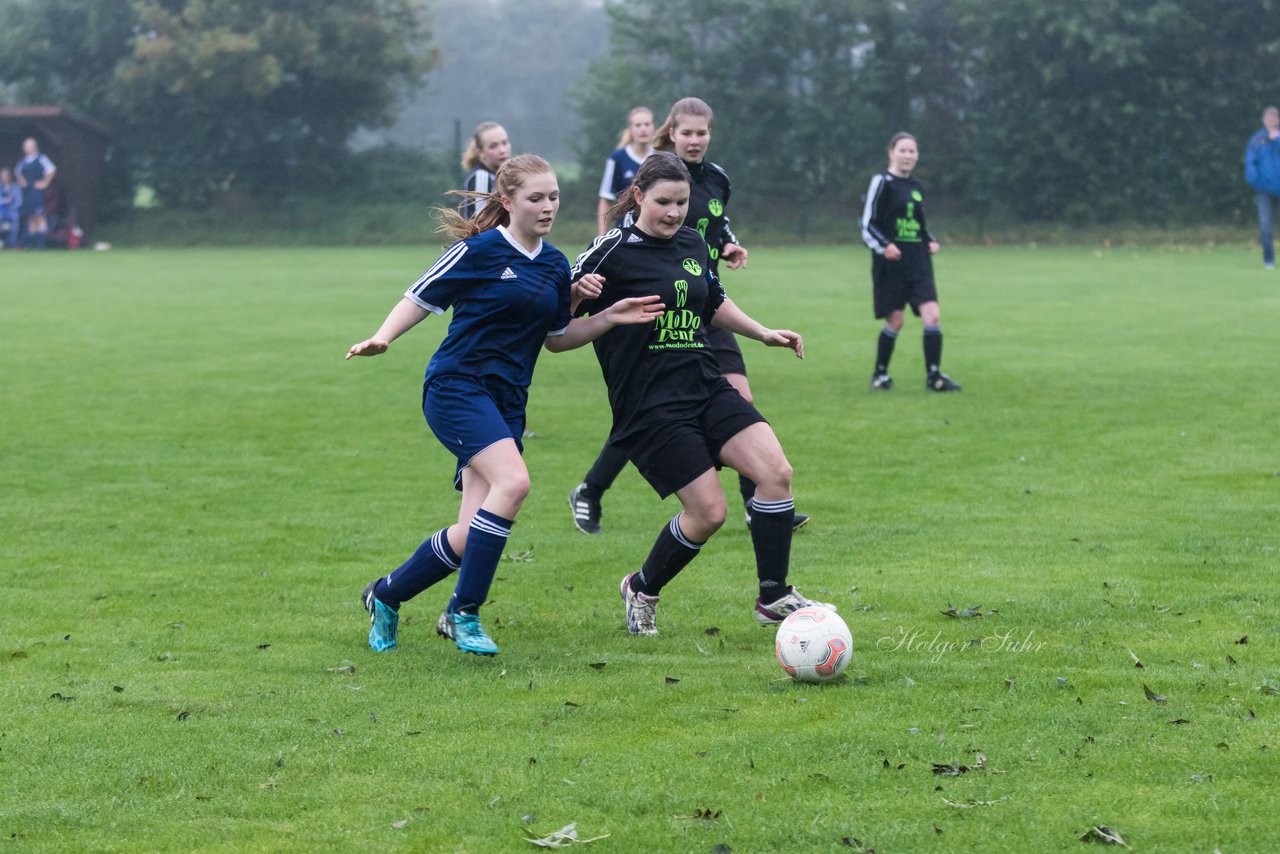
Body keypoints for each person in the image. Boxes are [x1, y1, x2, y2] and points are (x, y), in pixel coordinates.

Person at [346, 154, 663, 656]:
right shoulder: (480, 251)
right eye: (535, 198)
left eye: (554, 196)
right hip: (457, 387)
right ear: (507, 201)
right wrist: (382, 338)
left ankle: (385, 596)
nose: (547, 206)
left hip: (508, 402)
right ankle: (464, 612)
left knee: (472, 533)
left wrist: (609, 317)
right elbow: (420, 295)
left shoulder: (557, 265)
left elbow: (556, 338)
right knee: (514, 483)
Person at [571, 151, 834, 635]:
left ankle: (773, 596)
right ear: (638, 197)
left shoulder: (692, 241)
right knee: (709, 513)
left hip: (704, 384)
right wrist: (578, 298)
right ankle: (642, 588)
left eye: (681, 203)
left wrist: (763, 333)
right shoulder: (610, 249)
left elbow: (712, 300)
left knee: (776, 472)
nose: (674, 213)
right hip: (650, 404)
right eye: (663, 203)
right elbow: (556, 322)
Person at [569, 97, 809, 535]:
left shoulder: (717, 180)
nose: (696, 140)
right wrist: (588, 298)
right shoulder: (652, 189)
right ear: (672, 133)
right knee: (656, 410)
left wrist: (731, 248)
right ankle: (592, 488)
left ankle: (763, 500)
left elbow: (718, 226)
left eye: (703, 133)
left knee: (738, 402)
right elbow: (559, 317)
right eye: (688, 133)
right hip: (656, 310)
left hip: (704, 301)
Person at [861, 132, 961, 392]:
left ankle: (935, 376)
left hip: (918, 261)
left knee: (933, 315)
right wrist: (885, 246)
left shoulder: (916, 187)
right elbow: (867, 224)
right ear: (891, 152)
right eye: (903, 150)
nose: (908, 156)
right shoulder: (881, 182)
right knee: (896, 320)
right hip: (891, 263)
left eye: (912, 151)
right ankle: (880, 374)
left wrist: (930, 239)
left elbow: (920, 222)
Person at [595, 106, 654, 235]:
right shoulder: (617, 158)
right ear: (631, 129)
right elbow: (606, 199)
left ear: (653, 127)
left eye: (647, 124)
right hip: (625, 232)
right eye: (638, 125)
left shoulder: (659, 158)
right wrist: (601, 237)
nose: (643, 129)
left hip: (653, 232)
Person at [1245, 106, 1280, 270]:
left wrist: (1276, 140)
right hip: (1264, 190)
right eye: (1269, 118)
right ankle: (1269, 261)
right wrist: (1255, 182)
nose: (1272, 120)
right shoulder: (1256, 140)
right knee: (1265, 226)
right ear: (1264, 120)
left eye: (1275, 118)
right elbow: (1250, 163)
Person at [460, 122, 511, 220]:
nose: (502, 150)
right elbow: (480, 226)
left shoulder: (500, 177)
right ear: (481, 153)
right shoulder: (481, 177)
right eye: (493, 146)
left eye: (505, 143)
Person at [14, 137, 55, 250]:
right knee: (30, 216)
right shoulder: (22, 160)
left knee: (39, 216)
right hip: (27, 191)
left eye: (29, 146)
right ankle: (32, 242)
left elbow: (51, 169)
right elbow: (17, 173)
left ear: (34, 147)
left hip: (37, 192)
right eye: (26, 146)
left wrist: (45, 182)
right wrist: (22, 182)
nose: (27, 148)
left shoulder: (41, 158)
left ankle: (41, 242)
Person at [0, 167, 20, 249]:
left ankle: (11, 244)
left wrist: (11, 206)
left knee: (12, 227)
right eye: (2, 175)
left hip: (11, 213)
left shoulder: (15, 187)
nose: (4, 177)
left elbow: (19, 201)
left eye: (6, 175)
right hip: (1, 213)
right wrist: (4, 201)